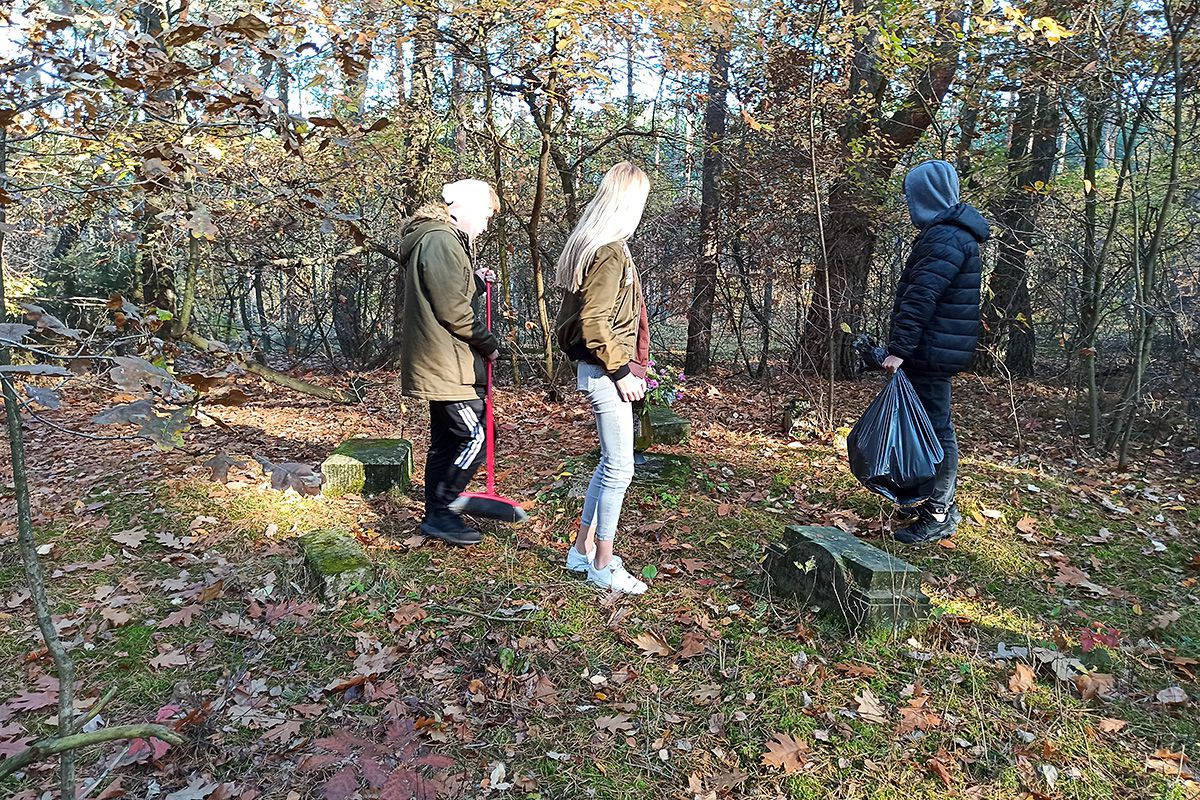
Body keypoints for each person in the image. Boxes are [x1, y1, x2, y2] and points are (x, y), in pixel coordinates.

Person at [554, 162, 653, 594]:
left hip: (599, 370)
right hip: (605, 372)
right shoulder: (609, 251)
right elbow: (594, 322)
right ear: (628, 202)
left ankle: (582, 551)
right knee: (620, 468)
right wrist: (621, 371)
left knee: (609, 464)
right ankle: (603, 563)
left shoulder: (599, 245)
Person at [882, 159, 990, 544]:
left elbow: (922, 296)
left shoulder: (944, 236)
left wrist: (899, 349)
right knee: (927, 426)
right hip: (935, 348)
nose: (909, 204)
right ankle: (924, 495)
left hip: (930, 351)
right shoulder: (952, 233)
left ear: (925, 196)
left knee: (937, 431)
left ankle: (940, 512)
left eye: (911, 196)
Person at [398, 179, 501, 546]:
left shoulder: (437, 237)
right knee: (477, 435)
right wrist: (488, 343)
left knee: (445, 441)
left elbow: (448, 290)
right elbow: (453, 310)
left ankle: (436, 513)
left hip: (443, 360)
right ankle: (443, 511)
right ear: (466, 207)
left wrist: (475, 281)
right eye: (486, 216)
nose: (486, 226)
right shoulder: (441, 239)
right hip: (447, 362)